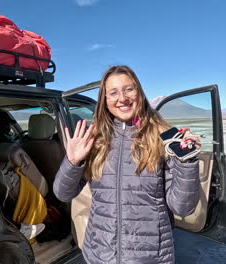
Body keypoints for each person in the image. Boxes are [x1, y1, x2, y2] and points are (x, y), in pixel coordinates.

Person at [53, 65, 201, 264]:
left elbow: (182, 208)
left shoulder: (164, 137)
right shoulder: (95, 139)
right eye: (113, 92)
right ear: (105, 101)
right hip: (99, 255)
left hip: (150, 258)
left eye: (128, 89)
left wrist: (187, 161)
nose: (122, 98)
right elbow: (63, 194)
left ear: (139, 92)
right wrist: (72, 162)